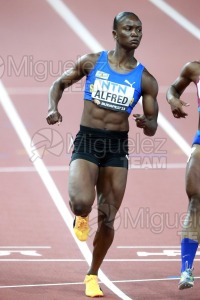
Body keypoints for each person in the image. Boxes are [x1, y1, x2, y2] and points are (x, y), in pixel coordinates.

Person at [47, 11, 158, 298]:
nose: (135, 33)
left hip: (117, 147)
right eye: (128, 28)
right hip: (88, 140)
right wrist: (53, 108)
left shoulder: (145, 79)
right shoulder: (92, 62)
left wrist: (148, 124)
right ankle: (81, 215)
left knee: (108, 218)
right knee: (80, 201)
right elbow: (58, 84)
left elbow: (152, 126)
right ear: (115, 34)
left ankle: (92, 275)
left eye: (139, 29)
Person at [166, 60, 200, 290]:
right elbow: (173, 89)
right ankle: (186, 269)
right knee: (195, 204)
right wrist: (173, 100)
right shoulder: (194, 69)